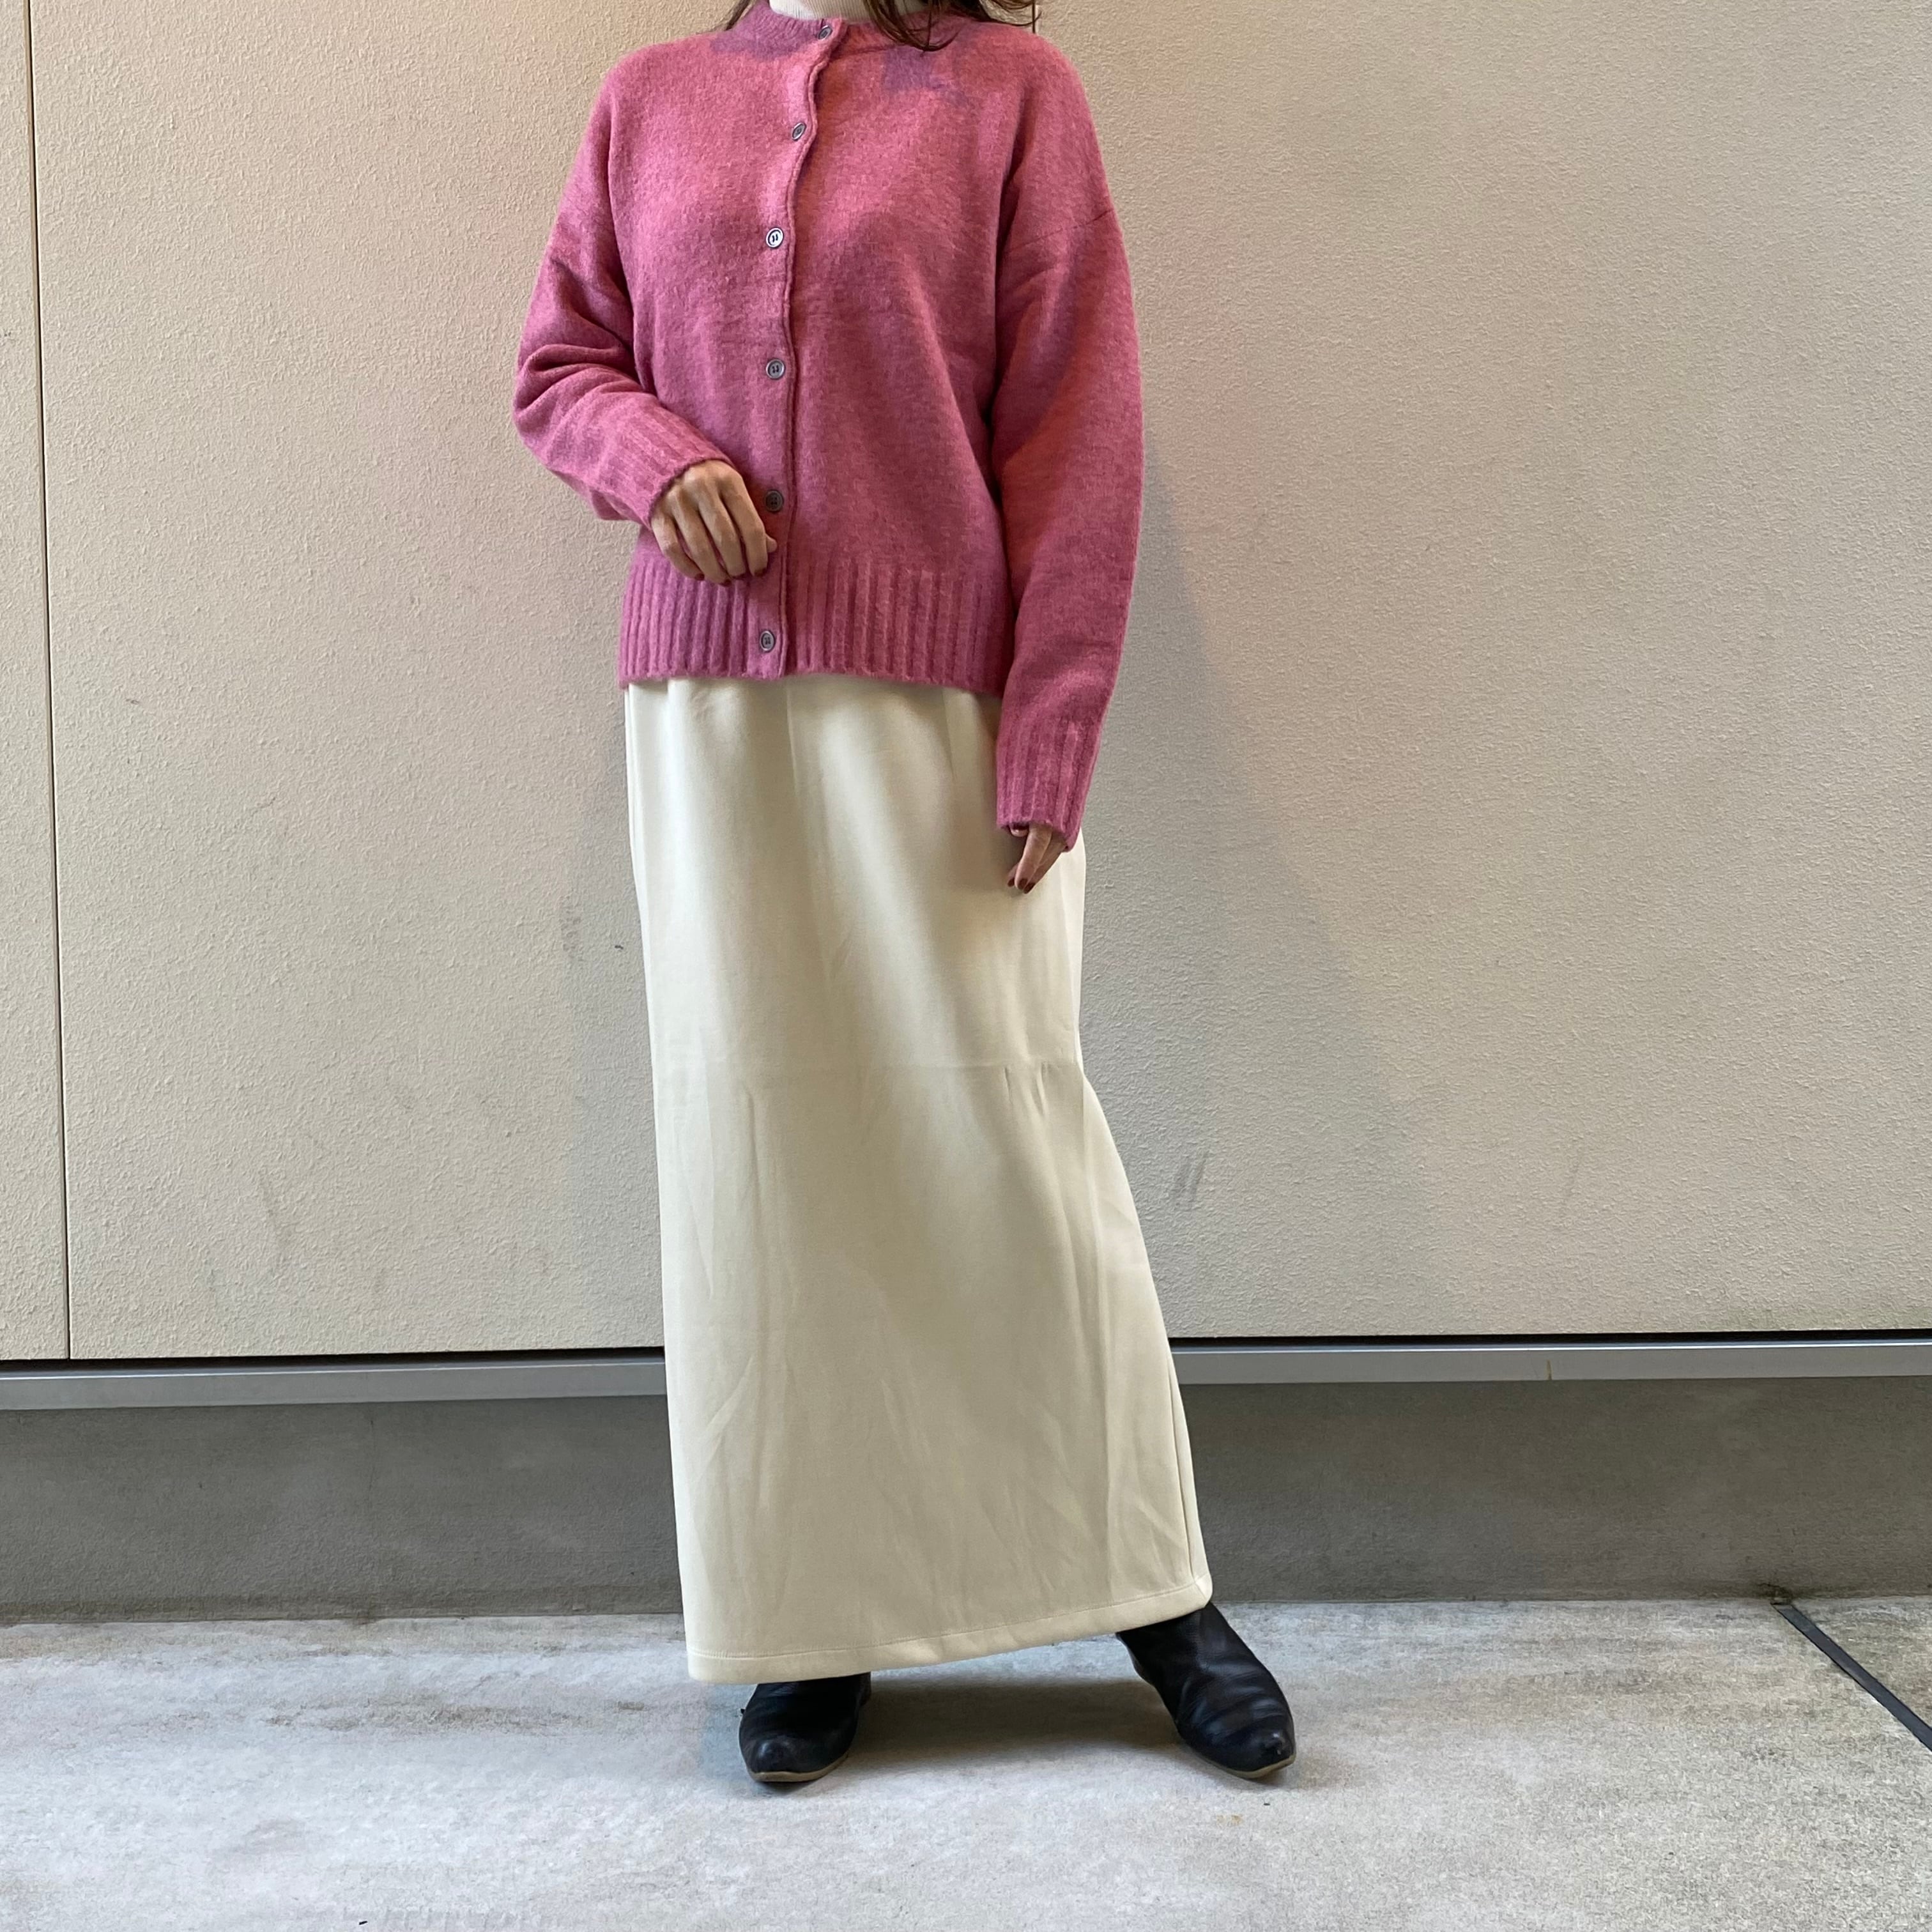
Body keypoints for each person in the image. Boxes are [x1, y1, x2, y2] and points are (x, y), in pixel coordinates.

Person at [512, 0, 1295, 1786]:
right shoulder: (648, 100)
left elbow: (1078, 425)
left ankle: (1153, 1589)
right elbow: (561, 363)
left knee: (1008, 1140)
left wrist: (1054, 726)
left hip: (942, 703)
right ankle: (812, 1617)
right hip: (711, 714)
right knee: (767, 1166)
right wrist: (658, 461)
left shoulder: (1012, 93)